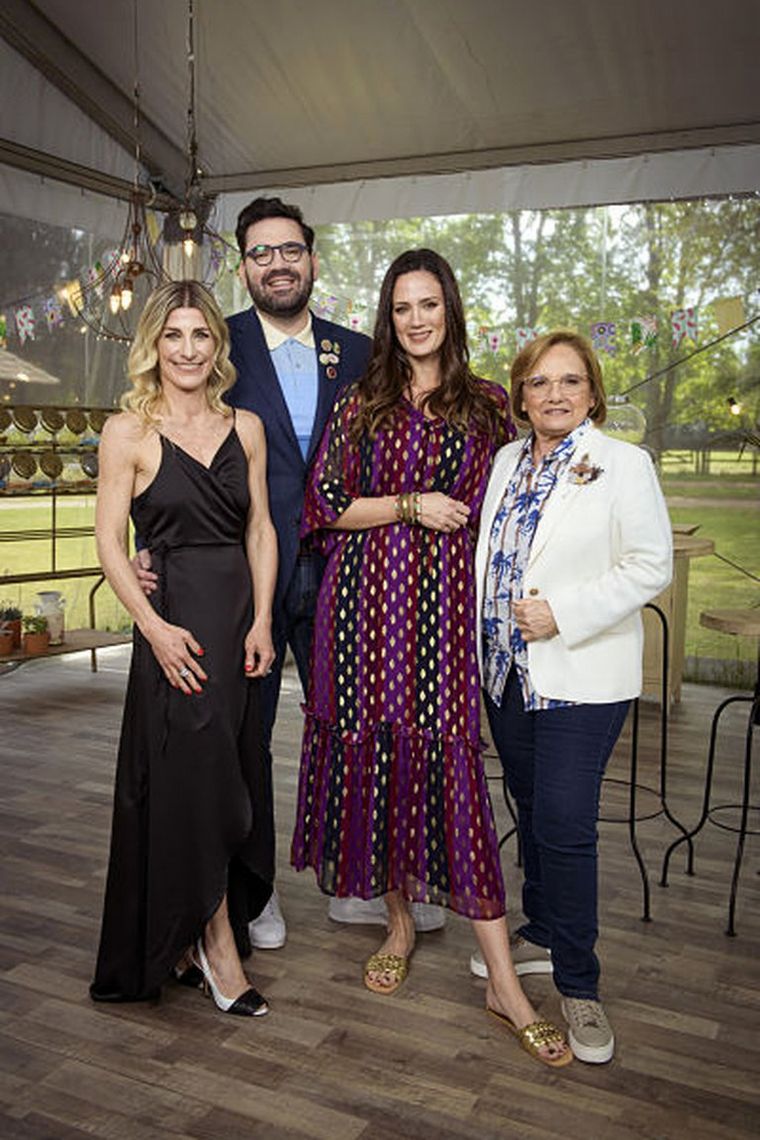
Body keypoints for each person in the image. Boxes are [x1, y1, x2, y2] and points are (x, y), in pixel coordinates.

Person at [135, 197, 444, 946]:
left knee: (357, 728)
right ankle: (254, 892)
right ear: (243, 267)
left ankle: (359, 884)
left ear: (312, 258)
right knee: (246, 734)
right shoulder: (215, 341)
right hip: (249, 575)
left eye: (290, 250)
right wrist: (152, 542)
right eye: (261, 253)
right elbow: (168, 439)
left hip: (352, 570)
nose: (278, 264)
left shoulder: (359, 351)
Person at [291, 249, 572, 1068]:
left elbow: (513, 508)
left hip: (442, 617)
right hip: (358, 612)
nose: (416, 319)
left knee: (452, 774)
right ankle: (400, 923)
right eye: (402, 307)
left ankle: (501, 982)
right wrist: (412, 504)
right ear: (390, 317)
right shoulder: (362, 400)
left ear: (450, 308)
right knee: (377, 763)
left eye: (428, 304)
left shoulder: (487, 406)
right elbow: (325, 505)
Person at [472, 329, 672, 1063]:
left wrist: (565, 611)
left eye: (570, 381)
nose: (554, 394)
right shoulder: (504, 461)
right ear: (520, 396)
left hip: (580, 676)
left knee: (564, 822)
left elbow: (650, 565)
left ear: (592, 393)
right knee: (530, 808)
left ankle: (579, 985)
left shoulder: (623, 464)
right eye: (539, 382)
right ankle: (543, 929)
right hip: (507, 675)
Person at [90, 280, 277, 1017]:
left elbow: (260, 528)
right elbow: (110, 543)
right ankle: (215, 943)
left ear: (217, 347)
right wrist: (153, 628)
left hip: (237, 624)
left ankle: (194, 932)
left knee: (231, 771)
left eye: (201, 335)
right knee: (191, 780)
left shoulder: (247, 427)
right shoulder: (127, 433)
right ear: (154, 346)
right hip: (175, 629)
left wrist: (264, 620)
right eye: (174, 335)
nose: (189, 349)